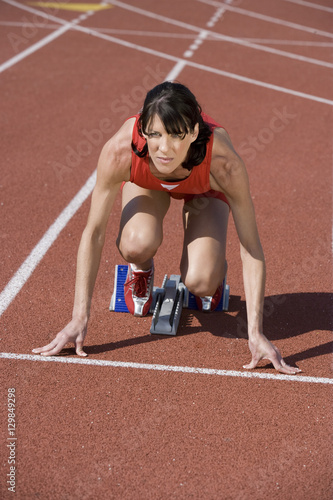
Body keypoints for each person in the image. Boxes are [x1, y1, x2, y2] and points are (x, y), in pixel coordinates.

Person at [32, 82, 301, 375]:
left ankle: (213, 273)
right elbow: (94, 232)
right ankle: (141, 270)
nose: (164, 148)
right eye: (155, 134)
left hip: (204, 188)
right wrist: (78, 318)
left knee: (200, 282)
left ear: (195, 132)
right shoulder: (120, 152)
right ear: (143, 128)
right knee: (135, 243)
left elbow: (251, 246)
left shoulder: (223, 164)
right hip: (147, 184)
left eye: (176, 135)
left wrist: (255, 332)